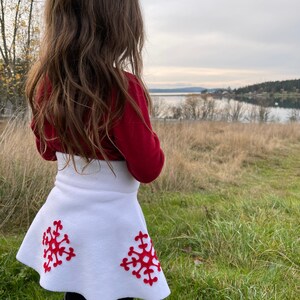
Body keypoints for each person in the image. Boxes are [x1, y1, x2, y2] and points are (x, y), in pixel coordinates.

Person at [16, 1, 171, 299]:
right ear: (122, 26)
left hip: (67, 213)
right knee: (113, 288)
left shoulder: (48, 85)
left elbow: (47, 152)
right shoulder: (123, 89)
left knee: (77, 285)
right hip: (111, 223)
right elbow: (148, 168)